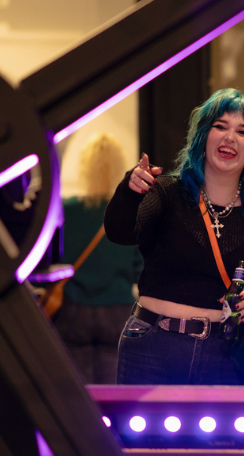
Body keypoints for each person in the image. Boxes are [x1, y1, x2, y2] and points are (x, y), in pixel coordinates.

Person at [104, 88, 244, 385]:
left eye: (243, 131)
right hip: (152, 345)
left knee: (221, 435)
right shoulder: (166, 192)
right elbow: (120, 233)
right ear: (204, 135)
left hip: (225, 354)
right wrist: (130, 190)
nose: (230, 138)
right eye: (220, 126)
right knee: (142, 433)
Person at [54, 132, 142, 384]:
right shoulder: (129, 214)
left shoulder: (65, 211)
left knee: (78, 390)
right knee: (113, 388)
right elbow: (139, 269)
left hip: (74, 309)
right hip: (118, 310)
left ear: (85, 167)